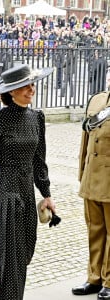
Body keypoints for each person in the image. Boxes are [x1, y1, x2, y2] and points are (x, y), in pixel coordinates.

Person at [0, 64, 57, 300]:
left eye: (32, 84)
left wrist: (47, 193)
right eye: (26, 86)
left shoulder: (36, 117)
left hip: (26, 190)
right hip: (5, 192)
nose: (32, 89)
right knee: (13, 260)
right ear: (12, 91)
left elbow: (39, 160)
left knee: (24, 252)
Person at [72, 91, 110, 299]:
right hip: (92, 177)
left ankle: (109, 281)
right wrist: (82, 173)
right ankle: (94, 277)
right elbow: (85, 140)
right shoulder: (97, 100)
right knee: (94, 230)